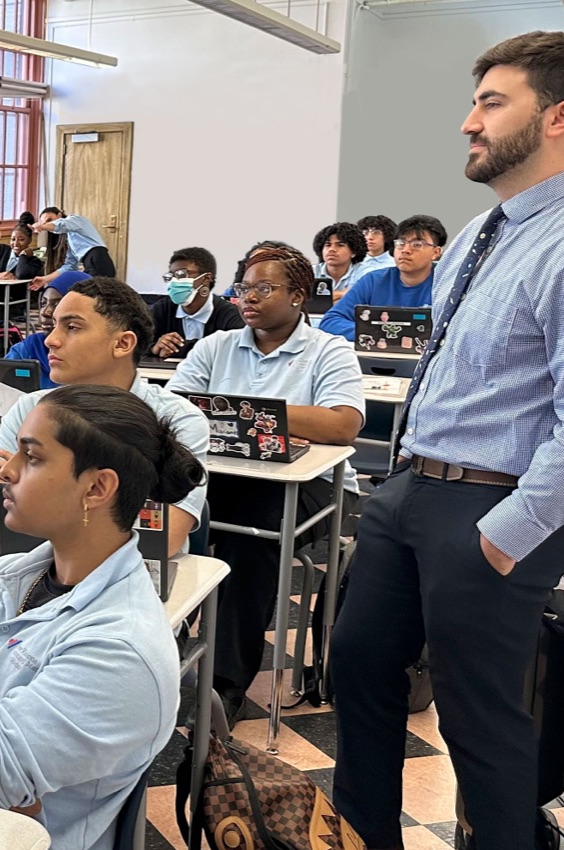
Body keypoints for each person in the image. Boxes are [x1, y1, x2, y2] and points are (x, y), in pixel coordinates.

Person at [332, 32, 564, 850]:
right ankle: (359, 838)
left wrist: (501, 540)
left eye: (490, 103)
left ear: (558, 116)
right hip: (412, 486)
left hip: (496, 505)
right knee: (359, 673)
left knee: (479, 716)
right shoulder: (486, 231)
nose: (466, 123)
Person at [0, 384, 203, 850]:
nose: (7, 471)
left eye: (33, 458)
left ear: (97, 488)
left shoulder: (120, 648)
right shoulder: (4, 576)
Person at [166, 244, 365, 718]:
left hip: (312, 487)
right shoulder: (217, 346)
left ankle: (224, 684)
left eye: (264, 288)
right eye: (243, 289)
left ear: (298, 295)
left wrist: (254, 415)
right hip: (225, 477)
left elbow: (342, 425)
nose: (248, 298)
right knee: (164, 512)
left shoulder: (328, 351)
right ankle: (161, 645)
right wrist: (268, 420)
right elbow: (175, 408)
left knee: (252, 535)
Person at [0, 277, 209, 560]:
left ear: (123, 343)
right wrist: (110, 505)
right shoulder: (31, 408)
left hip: (135, 581)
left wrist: (29, 491)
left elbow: (161, 536)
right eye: (53, 325)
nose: (51, 340)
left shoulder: (177, 419)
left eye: (72, 327)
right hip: (34, 569)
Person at [320, 215, 446, 342]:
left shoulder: (448, 284)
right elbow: (330, 321)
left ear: (436, 252)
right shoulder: (373, 281)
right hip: (376, 356)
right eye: (401, 243)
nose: (405, 250)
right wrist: (376, 332)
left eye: (417, 244)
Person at [148, 247, 241, 361]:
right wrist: (154, 347)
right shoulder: (162, 309)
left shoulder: (230, 315)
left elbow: (233, 351)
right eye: (171, 276)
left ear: (206, 278)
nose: (175, 281)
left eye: (182, 274)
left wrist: (177, 348)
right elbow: (136, 342)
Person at [1, 272, 88, 389]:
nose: (45, 312)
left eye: (57, 305)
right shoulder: (26, 351)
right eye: (43, 303)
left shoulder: (98, 356)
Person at [0, 212, 46, 341]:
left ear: (29, 241)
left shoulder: (34, 262)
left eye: (21, 240)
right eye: (13, 239)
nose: (16, 243)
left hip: (12, 303)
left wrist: (23, 256)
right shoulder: (0, 250)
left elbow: (21, 274)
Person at [33, 206, 113, 282]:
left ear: (59, 215)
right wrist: (45, 279)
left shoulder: (75, 219)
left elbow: (61, 224)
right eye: (44, 223)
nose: (47, 224)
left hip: (97, 259)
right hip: (91, 262)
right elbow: (70, 265)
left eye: (50, 219)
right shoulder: (70, 239)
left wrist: (42, 227)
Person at [313, 221, 378, 302]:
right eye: (328, 245)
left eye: (340, 245)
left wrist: (321, 298)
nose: (331, 249)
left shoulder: (366, 273)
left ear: (353, 252)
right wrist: (342, 294)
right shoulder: (310, 272)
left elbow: (360, 301)